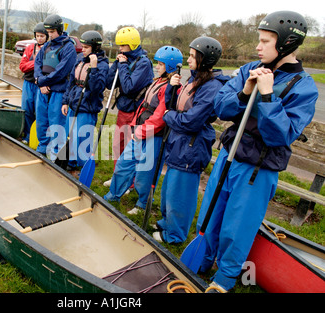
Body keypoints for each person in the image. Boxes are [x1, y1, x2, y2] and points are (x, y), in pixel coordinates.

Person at [196, 11, 318, 292]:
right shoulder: (248, 68)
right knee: (210, 216)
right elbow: (221, 109)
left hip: (258, 169)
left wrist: (266, 95)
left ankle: (222, 280)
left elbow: (282, 135)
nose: (258, 47)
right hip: (228, 158)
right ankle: (198, 263)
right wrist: (245, 90)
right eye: (259, 40)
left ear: (286, 44)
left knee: (236, 230)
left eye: (265, 41)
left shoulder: (303, 87)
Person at [152, 37, 230, 244]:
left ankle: (175, 236)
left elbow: (190, 121)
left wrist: (168, 115)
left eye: (193, 56)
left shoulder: (211, 87)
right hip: (178, 143)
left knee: (181, 196)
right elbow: (175, 105)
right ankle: (167, 223)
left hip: (190, 147)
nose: (188, 59)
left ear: (205, 59)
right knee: (169, 188)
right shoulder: (194, 79)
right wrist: (171, 87)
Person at [104, 46, 183, 214]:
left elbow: (160, 115)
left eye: (161, 64)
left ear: (170, 67)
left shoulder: (171, 88)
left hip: (153, 137)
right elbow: (143, 107)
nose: (157, 66)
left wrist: (140, 132)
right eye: (157, 63)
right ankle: (113, 195)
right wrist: (134, 126)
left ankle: (142, 203)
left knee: (144, 174)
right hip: (139, 132)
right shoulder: (157, 81)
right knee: (123, 165)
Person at [103, 26, 154, 187]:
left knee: (131, 149)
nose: (120, 49)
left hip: (136, 111)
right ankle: (117, 177)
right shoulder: (123, 59)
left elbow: (130, 87)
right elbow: (109, 84)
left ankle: (130, 183)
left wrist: (123, 66)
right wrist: (116, 65)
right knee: (118, 145)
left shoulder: (143, 63)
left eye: (123, 46)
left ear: (132, 45)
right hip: (123, 109)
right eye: (119, 45)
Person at [61, 30, 109, 170]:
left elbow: (96, 88)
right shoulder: (80, 60)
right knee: (69, 135)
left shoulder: (102, 65)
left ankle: (81, 167)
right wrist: (65, 101)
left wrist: (93, 68)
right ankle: (69, 162)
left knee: (82, 140)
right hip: (73, 104)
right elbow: (71, 82)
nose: (83, 50)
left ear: (95, 47)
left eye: (86, 47)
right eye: (82, 46)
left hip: (87, 107)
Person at [34, 14, 77, 159]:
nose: (49, 35)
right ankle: (42, 148)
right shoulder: (47, 45)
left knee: (56, 124)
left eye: (52, 32)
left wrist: (44, 82)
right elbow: (37, 63)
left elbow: (62, 71)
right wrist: (40, 80)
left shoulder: (68, 47)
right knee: (42, 121)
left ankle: (55, 154)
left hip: (57, 91)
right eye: (48, 32)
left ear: (59, 29)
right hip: (43, 91)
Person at [19, 22, 48, 144]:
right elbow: (23, 66)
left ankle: (38, 137)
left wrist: (37, 64)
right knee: (27, 108)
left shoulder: (49, 49)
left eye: (42, 36)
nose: (39, 38)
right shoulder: (31, 48)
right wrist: (36, 62)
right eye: (37, 36)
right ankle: (27, 135)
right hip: (28, 83)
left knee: (39, 110)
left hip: (40, 84)